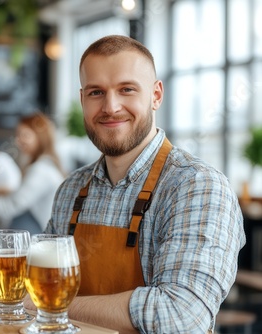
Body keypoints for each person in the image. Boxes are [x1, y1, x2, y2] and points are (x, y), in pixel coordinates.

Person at [40, 35, 246, 333]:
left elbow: (181, 317)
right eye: (97, 92)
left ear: (156, 95)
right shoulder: (71, 189)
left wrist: (51, 304)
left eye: (127, 89)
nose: (111, 107)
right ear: (82, 98)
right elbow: (43, 279)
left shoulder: (197, 186)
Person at [0, 112, 65, 234]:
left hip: (42, 238)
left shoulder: (41, 170)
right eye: (18, 135)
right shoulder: (42, 166)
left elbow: (12, 204)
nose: (19, 141)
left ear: (40, 136)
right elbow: (13, 194)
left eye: (25, 135)